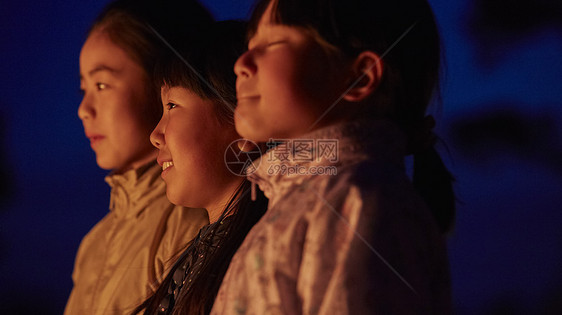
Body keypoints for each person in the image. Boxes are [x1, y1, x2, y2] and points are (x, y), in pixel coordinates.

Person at [212, 0, 455, 313]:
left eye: (273, 43)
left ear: (360, 78)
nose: (241, 63)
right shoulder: (304, 201)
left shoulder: (358, 203)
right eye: (249, 45)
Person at [66, 1, 212, 314]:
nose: (84, 109)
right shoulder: (93, 245)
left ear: (163, 83)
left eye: (102, 84)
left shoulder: (190, 222)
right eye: (83, 89)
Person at [137, 20, 268, 315]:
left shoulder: (263, 257)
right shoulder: (203, 252)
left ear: (241, 122)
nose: (155, 135)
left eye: (171, 106)